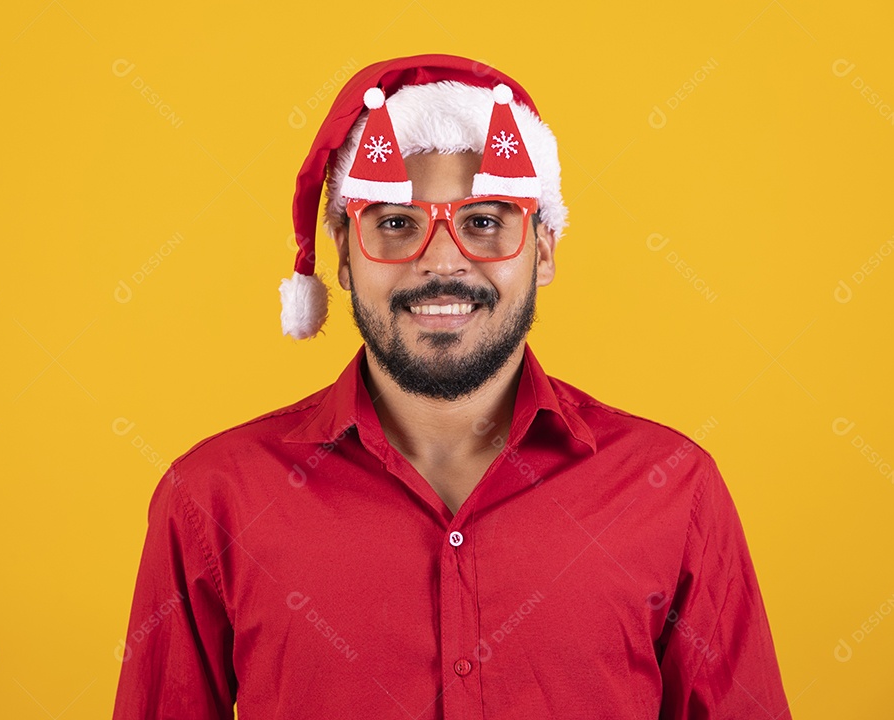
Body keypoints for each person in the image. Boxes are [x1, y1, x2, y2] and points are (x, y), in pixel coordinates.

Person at [112, 53, 792, 719]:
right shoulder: (213, 499)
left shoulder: (674, 489)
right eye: (397, 224)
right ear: (343, 256)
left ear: (545, 249)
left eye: (484, 222)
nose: (441, 260)